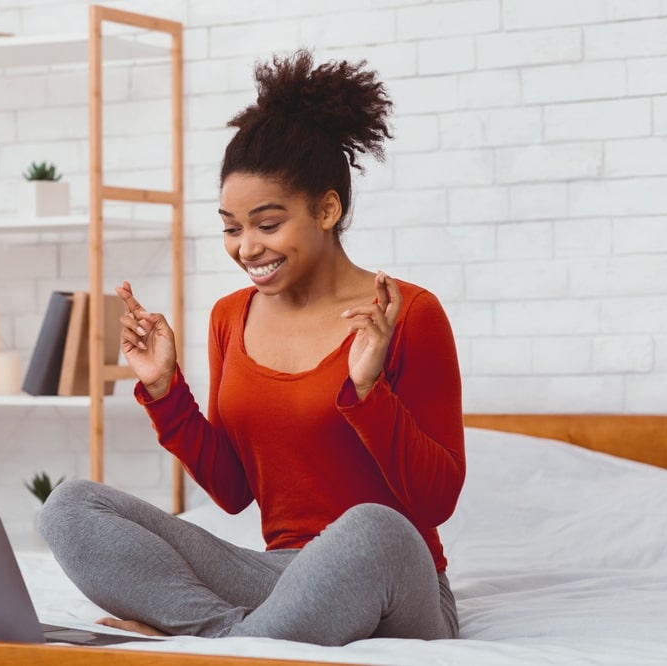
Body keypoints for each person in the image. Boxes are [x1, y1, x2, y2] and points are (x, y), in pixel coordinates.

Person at [39, 49, 465, 646]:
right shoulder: (228, 318)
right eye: (232, 228)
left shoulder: (407, 315)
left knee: (374, 529)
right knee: (69, 506)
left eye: (267, 225)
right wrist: (166, 391)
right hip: (277, 577)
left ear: (327, 209)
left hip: (393, 579)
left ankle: (211, 644)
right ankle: (230, 640)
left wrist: (368, 391)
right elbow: (236, 492)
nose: (247, 248)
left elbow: (438, 499)